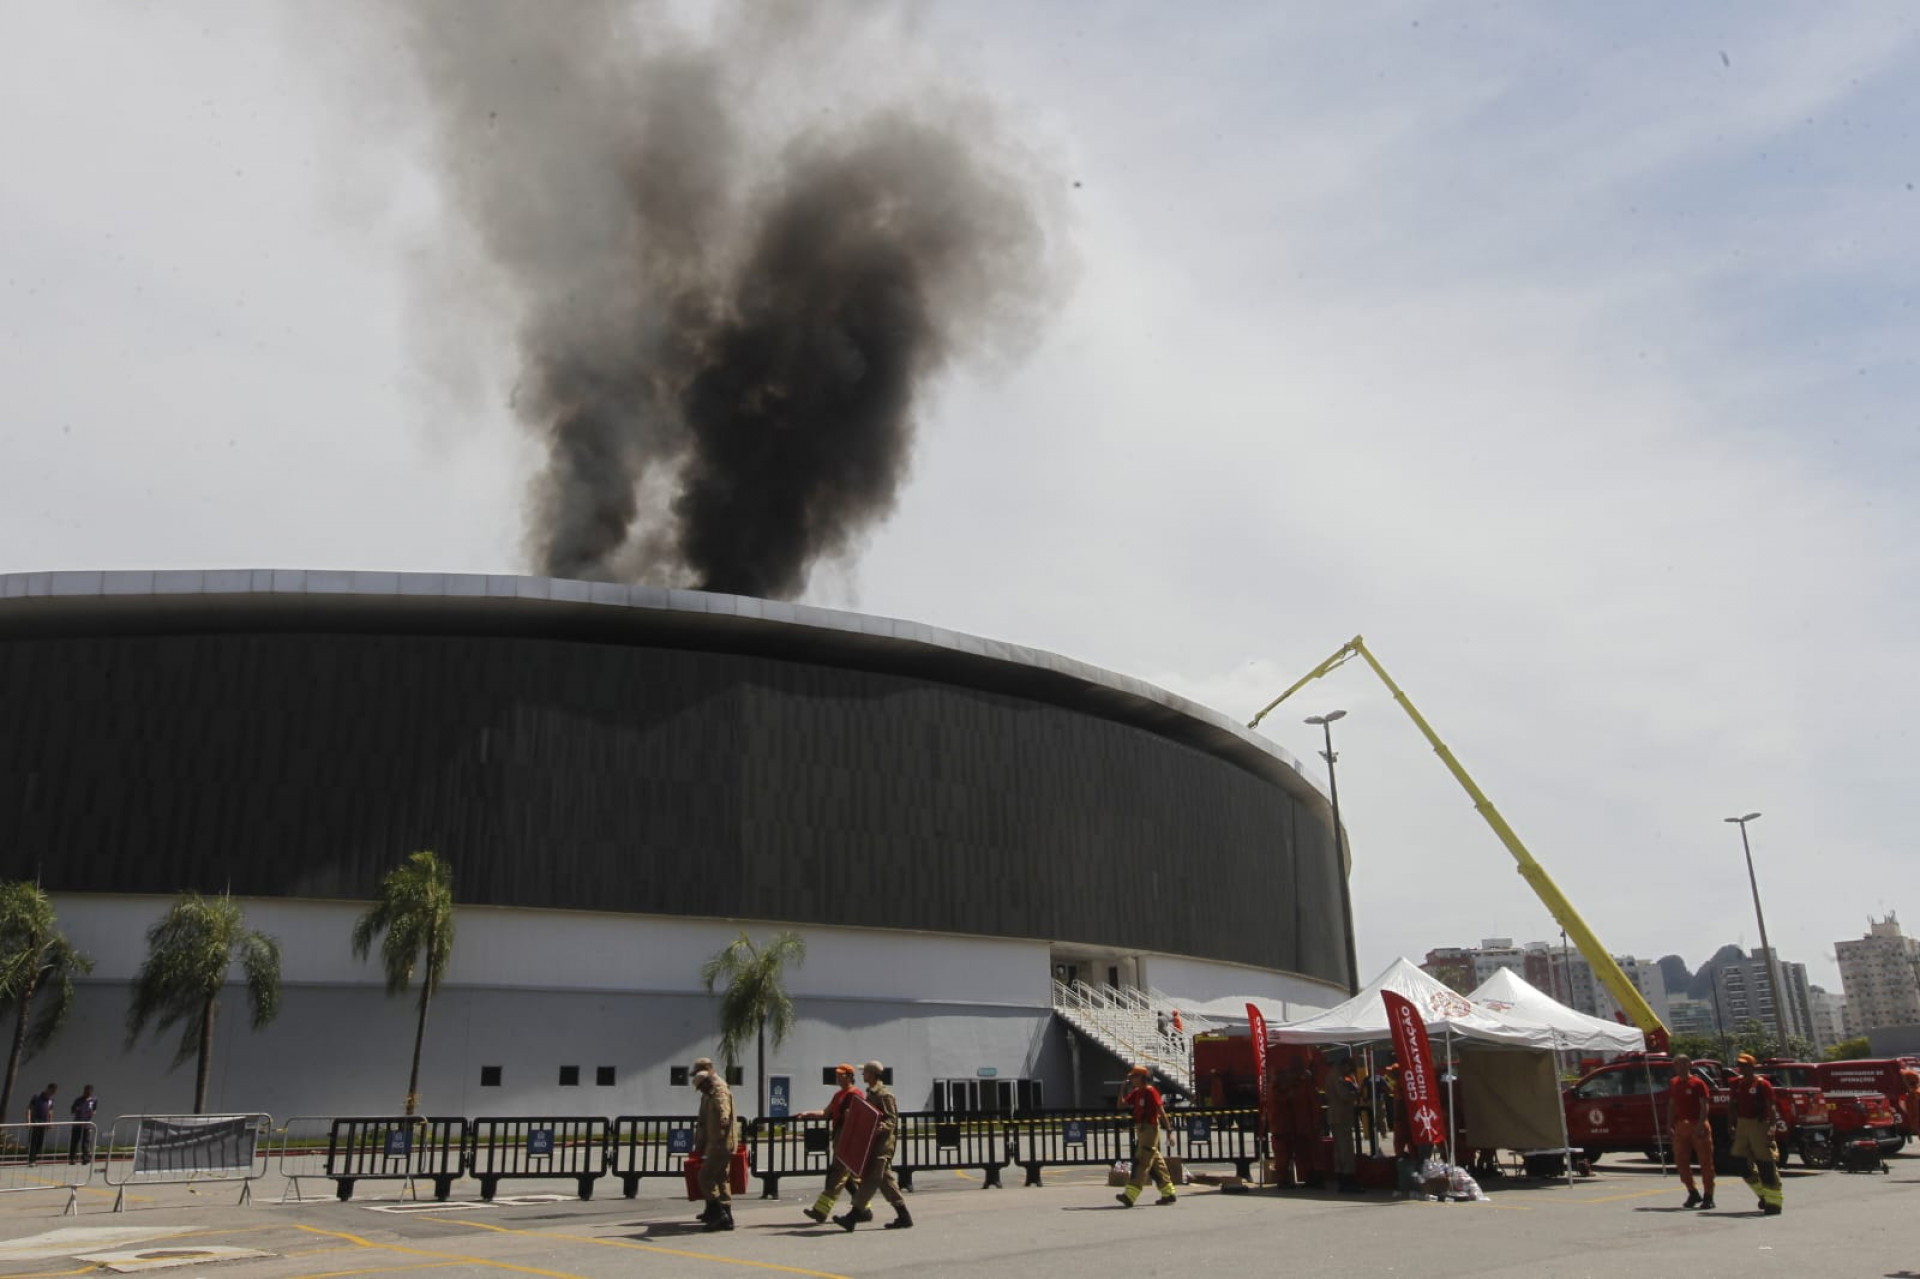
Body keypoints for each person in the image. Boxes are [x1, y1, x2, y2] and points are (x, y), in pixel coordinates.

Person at [836, 1061, 911, 1230]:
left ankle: (852, 1217)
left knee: (870, 1180)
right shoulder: (871, 1093)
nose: (862, 1075)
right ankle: (904, 1216)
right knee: (886, 1182)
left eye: (865, 1072)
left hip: (882, 1146)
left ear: (872, 1074)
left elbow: (892, 1120)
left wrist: (880, 1128)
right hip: (874, 1145)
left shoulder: (884, 1095)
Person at [801, 1064, 865, 1223]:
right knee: (849, 1178)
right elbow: (825, 1112)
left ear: (850, 1076)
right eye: (837, 1075)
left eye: (842, 1075)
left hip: (848, 1140)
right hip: (839, 1138)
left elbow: (860, 1117)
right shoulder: (838, 1095)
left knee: (837, 1175)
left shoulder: (855, 1094)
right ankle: (865, 1209)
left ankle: (821, 1211)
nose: (838, 1078)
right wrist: (808, 1114)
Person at [1114, 1064, 1177, 1207]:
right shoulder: (1137, 1092)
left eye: (1134, 1077)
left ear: (1143, 1077)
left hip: (1150, 1129)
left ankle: (1130, 1195)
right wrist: (1122, 1089)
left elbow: (1161, 1112)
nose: (1132, 1079)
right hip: (1141, 1130)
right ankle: (1168, 1192)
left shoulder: (1150, 1091)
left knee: (1141, 1162)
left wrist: (1169, 1131)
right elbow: (1121, 1106)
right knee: (1157, 1163)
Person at [1728, 1054, 1782, 1215]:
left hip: (1759, 1123)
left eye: (1745, 1065)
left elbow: (1770, 1106)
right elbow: (1732, 1105)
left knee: (1765, 1162)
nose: (1742, 1068)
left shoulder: (1762, 1085)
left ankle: (1774, 1203)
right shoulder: (1736, 1084)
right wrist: (1730, 1124)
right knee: (1739, 1161)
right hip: (1742, 1124)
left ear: (1752, 1067)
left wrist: (1772, 1127)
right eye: (1740, 1065)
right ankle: (1762, 1194)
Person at [1665, 1056, 1715, 1209]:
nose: (1679, 1067)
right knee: (1681, 1161)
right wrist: (1669, 1124)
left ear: (1689, 1064)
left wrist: (1700, 1125)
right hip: (1681, 1125)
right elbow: (1672, 1104)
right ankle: (1692, 1191)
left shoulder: (1698, 1083)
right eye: (1676, 1064)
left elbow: (1704, 1105)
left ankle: (1708, 1195)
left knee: (1705, 1162)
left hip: (1697, 1124)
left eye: (1682, 1063)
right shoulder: (1674, 1083)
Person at [692, 1067, 737, 1231]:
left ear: (706, 1083)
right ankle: (727, 1217)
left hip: (720, 1143)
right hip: (719, 1143)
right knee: (721, 1178)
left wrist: (724, 1122)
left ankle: (720, 1215)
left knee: (704, 1177)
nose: (701, 1090)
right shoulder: (710, 1094)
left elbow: (723, 1110)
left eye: (701, 1086)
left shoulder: (719, 1093)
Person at [1326, 1059, 1362, 1193]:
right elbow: (1343, 1095)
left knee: (1339, 1149)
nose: (1350, 1072)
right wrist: (1355, 1094)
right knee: (1345, 1148)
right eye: (1350, 1069)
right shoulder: (1337, 1076)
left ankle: (1343, 1178)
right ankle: (1348, 1179)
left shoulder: (1333, 1074)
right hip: (1340, 1115)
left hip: (1336, 1115)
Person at [25, 1083, 57, 1165]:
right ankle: (31, 1160)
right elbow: (29, 1108)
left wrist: (50, 1123)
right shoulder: (37, 1097)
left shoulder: (51, 1100)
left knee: (40, 1142)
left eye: (54, 1092)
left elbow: (50, 1112)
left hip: (44, 1123)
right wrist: (28, 1121)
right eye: (51, 1091)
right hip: (35, 1122)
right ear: (48, 1089)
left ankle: (35, 1158)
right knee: (34, 1141)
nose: (52, 1093)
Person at [68, 1084, 99, 1167]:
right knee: (74, 1141)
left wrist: (93, 1112)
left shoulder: (94, 1100)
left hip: (87, 1124)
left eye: (89, 1092)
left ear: (91, 1092)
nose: (87, 1093)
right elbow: (72, 1110)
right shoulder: (78, 1100)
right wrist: (76, 1109)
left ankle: (85, 1158)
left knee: (86, 1142)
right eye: (86, 1091)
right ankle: (72, 1158)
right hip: (77, 1124)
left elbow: (94, 1109)